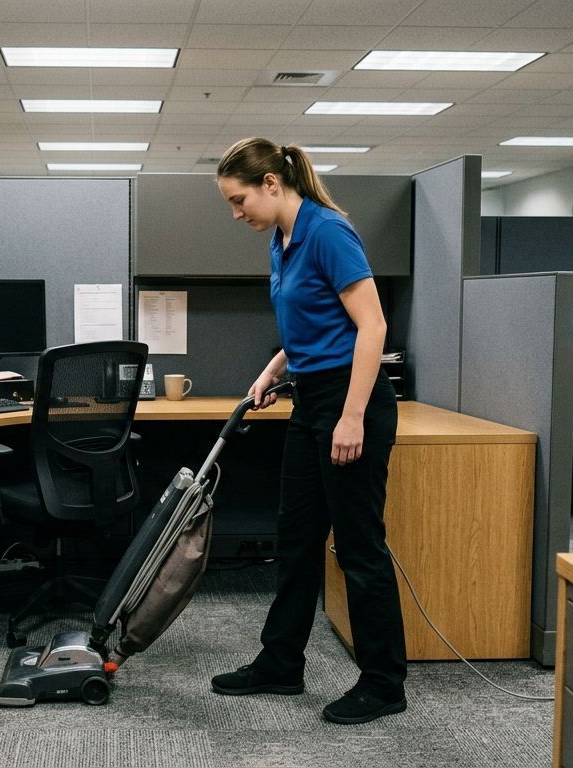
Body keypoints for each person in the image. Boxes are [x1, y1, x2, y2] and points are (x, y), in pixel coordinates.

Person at [209, 138, 406, 725]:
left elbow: (371, 327)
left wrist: (351, 415)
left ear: (272, 182)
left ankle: (383, 682)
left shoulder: (328, 232)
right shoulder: (281, 240)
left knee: (358, 546)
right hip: (311, 400)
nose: (236, 213)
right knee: (295, 539)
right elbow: (310, 328)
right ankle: (280, 663)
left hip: (353, 402)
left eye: (239, 199)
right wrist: (272, 370)